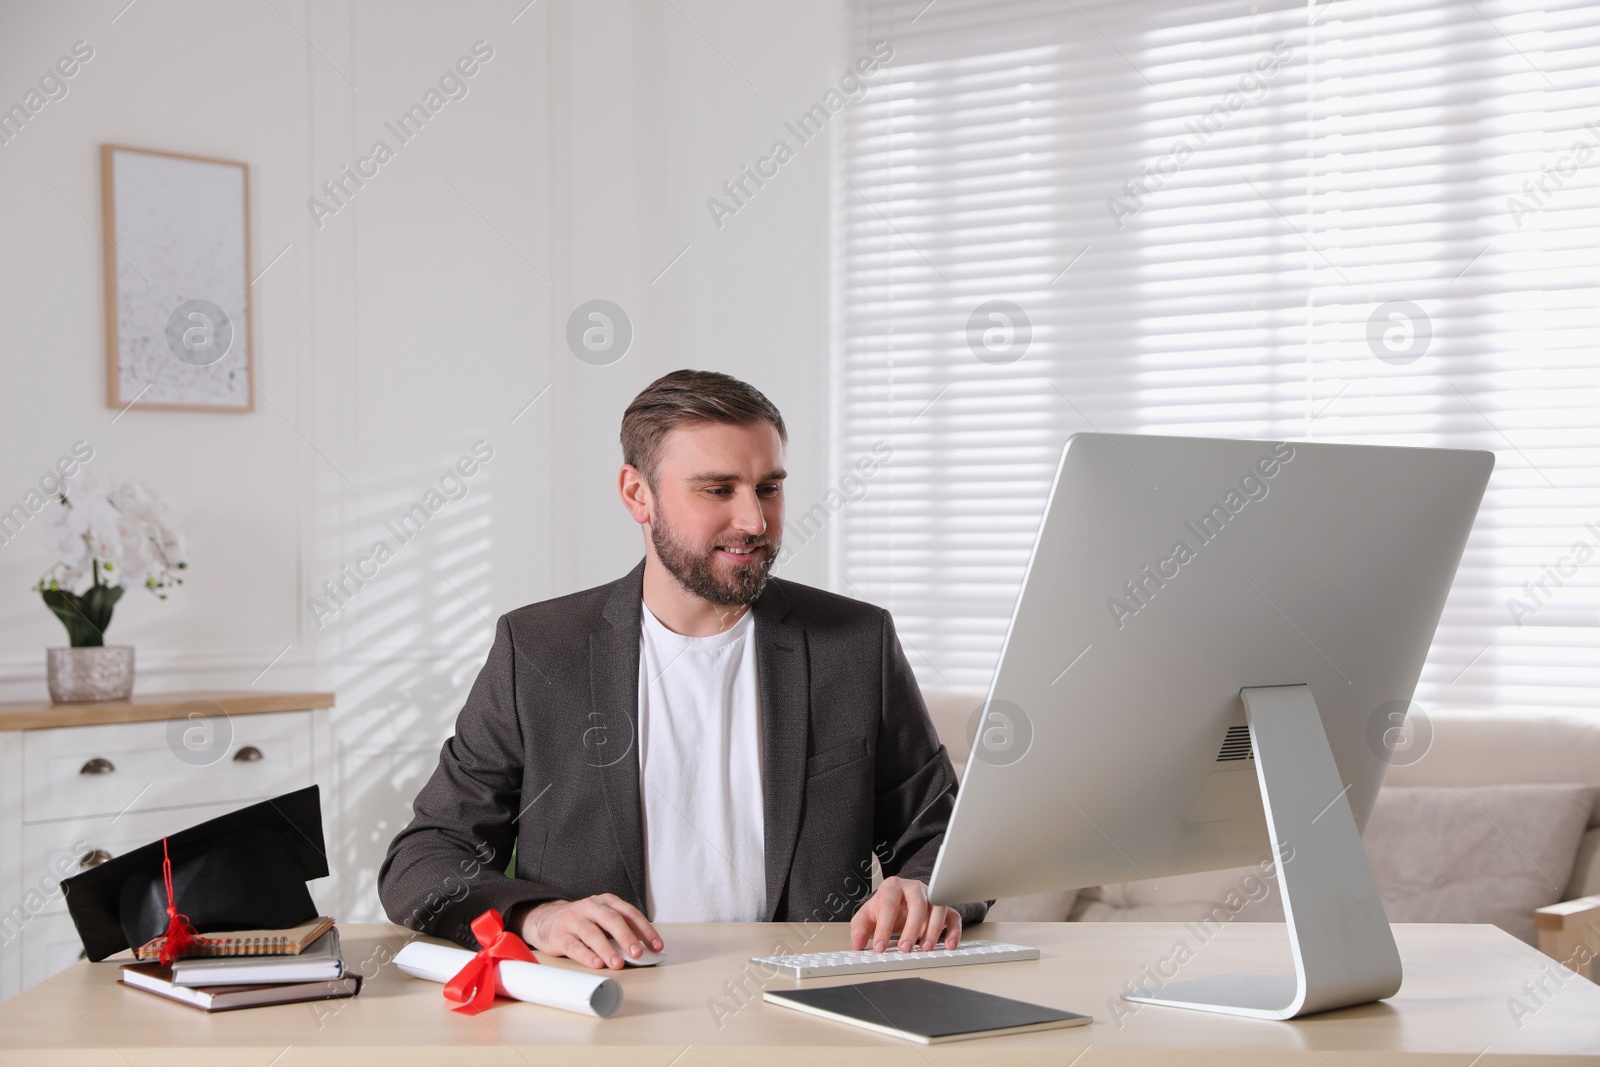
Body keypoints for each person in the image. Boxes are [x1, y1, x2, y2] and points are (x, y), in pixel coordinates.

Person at [379, 369, 986, 969]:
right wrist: (539, 917)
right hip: (607, 1011)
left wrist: (923, 887)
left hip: (807, 1008)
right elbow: (425, 858)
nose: (754, 520)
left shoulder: (855, 643)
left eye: (768, 488)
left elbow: (950, 841)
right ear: (637, 494)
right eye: (718, 490)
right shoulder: (538, 649)